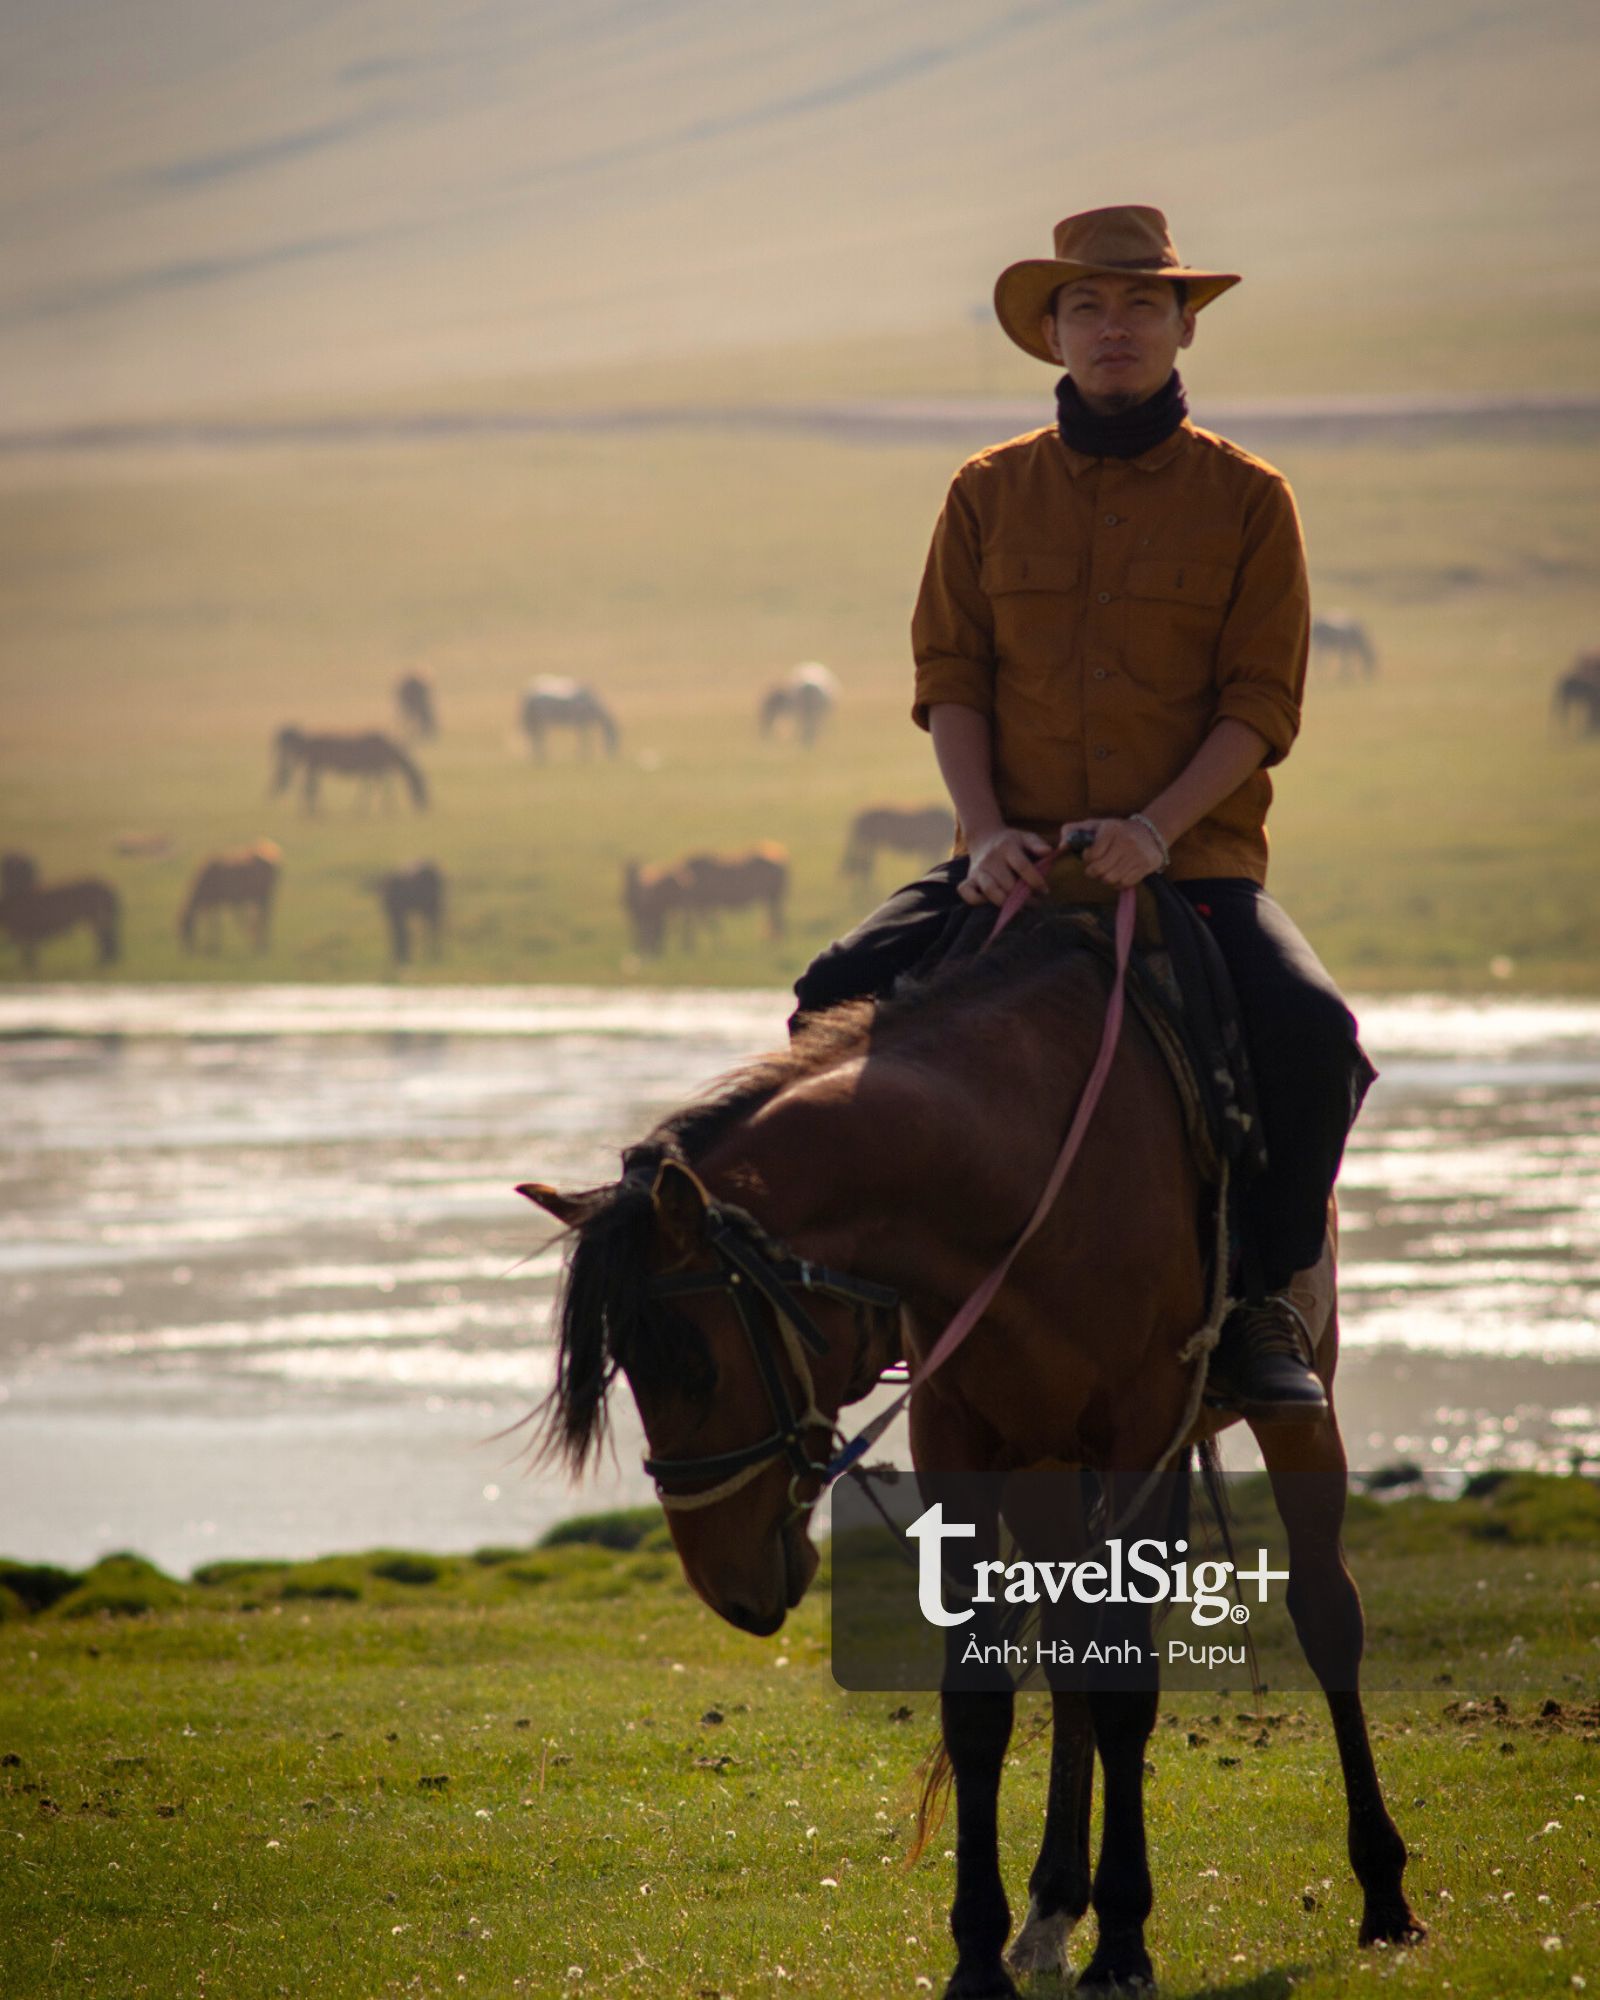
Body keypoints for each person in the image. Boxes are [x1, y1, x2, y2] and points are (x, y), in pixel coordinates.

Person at [791, 204, 1376, 1423]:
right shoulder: (984, 494)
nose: (1114, 328)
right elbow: (948, 679)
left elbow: (1260, 701)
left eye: (1140, 305)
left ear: (1182, 327)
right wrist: (986, 831)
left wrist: (1154, 830)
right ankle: (856, 1306)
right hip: (1005, 862)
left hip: (1190, 864)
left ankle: (1264, 1298)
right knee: (826, 1000)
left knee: (1312, 1032)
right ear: (1050, 333)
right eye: (1088, 308)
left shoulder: (1249, 500)